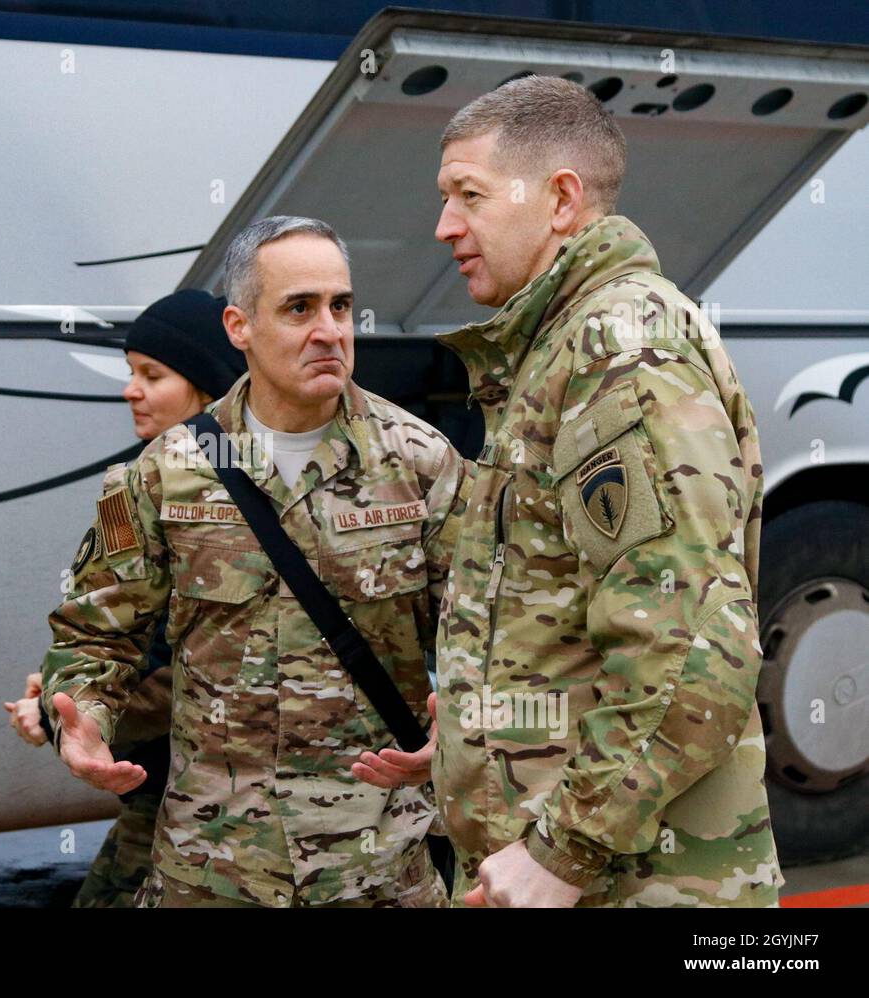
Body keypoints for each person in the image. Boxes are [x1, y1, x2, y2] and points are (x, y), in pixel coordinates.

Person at [418, 75, 779, 907]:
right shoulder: (554, 350)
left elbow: (691, 646)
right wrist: (470, 737)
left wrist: (562, 854)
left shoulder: (620, 351)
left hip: (635, 881)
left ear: (561, 200)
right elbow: (562, 623)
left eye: (468, 195)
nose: (444, 227)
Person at [40, 215, 466, 908]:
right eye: (299, 308)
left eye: (341, 306)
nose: (329, 329)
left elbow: (493, 630)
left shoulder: (423, 465)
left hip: (377, 872)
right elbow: (94, 632)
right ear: (239, 327)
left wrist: (462, 719)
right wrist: (83, 716)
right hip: (213, 871)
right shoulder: (166, 475)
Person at [4, 289, 245, 907]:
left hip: (222, 808)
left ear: (207, 385)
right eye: (130, 372)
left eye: (152, 375)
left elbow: (217, 666)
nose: (130, 390)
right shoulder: (146, 481)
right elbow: (115, 628)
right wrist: (72, 690)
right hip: (166, 793)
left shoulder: (240, 496)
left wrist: (72, 716)